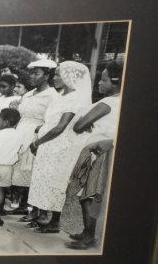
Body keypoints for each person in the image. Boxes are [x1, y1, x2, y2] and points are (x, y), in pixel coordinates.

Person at [27, 61, 92, 233]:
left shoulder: (75, 98)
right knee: (45, 180)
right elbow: (52, 122)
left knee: (57, 181)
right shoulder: (62, 95)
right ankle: (43, 216)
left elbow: (60, 127)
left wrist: (37, 142)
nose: (54, 78)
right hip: (50, 145)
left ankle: (54, 222)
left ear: (69, 76)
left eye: (57, 74)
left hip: (60, 147)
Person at [65, 60, 123, 249]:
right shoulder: (123, 101)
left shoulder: (107, 102)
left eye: (103, 79)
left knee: (87, 194)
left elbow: (78, 126)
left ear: (114, 82)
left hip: (95, 151)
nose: (99, 83)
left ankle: (89, 236)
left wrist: (84, 119)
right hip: (108, 149)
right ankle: (87, 232)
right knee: (93, 192)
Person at [8, 59, 59, 218]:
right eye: (32, 73)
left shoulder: (52, 95)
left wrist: (37, 136)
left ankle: (34, 209)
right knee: (19, 171)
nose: (32, 76)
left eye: (36, 73)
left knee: (32, 171)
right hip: (21, 134)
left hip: (37, 136)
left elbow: (51, 120)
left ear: (47, 76)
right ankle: (22, 205)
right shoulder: (29, 94)